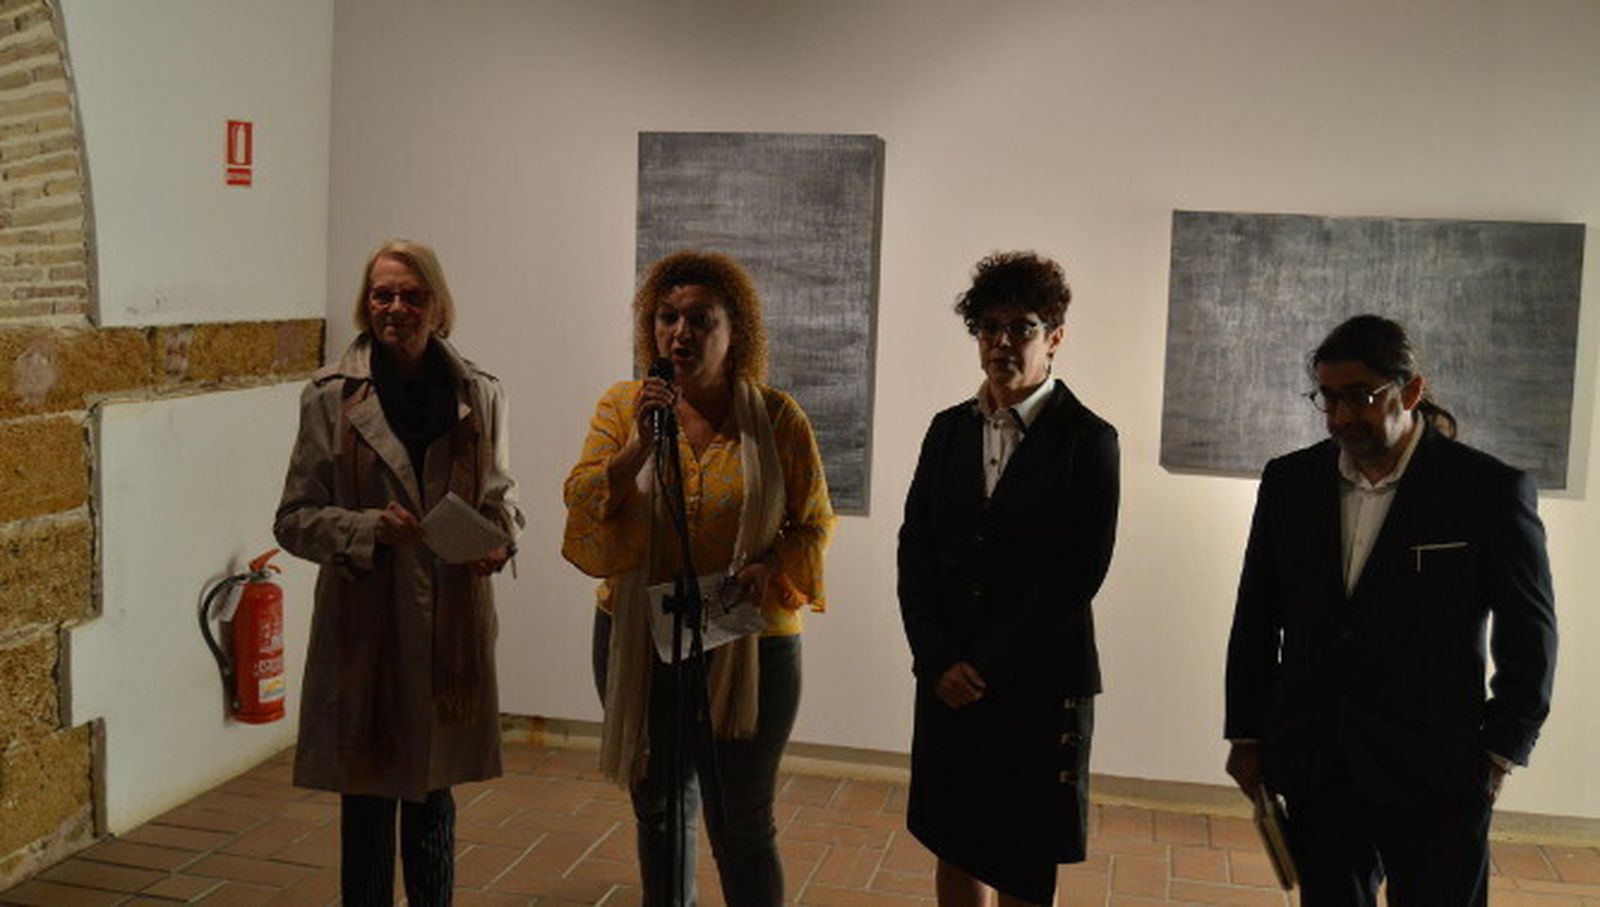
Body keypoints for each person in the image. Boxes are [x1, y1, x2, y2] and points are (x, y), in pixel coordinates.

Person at [1224, 314, 1558, 906]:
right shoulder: (1290, 482)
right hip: (1320, 763)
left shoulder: (1487, 491)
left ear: (1411, 391)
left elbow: (1529, 632)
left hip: (1438, 771)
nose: (1340, 416)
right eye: (1327, 398)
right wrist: (1247, 733)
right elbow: (1256, 613)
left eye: (1360, 397)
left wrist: (1500, 750)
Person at [562, 250, 835, 907]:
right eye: (666, 317)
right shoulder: (622, 407)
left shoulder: (777, 418)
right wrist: (639, 442)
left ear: (735, 331)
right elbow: (585, 500)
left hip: (749, 643)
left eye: (700, 319)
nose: (679, 333)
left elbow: (812, 525)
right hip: (640, 637)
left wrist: (771, 566)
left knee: (742, 822)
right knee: (658, 809)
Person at [274, 239, 523, 907]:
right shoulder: (329, 396)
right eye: (383, 294)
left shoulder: (478, 391)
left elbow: (504, 498)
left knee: (433, 794)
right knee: (367, 799)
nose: (396, 308)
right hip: (368, 625)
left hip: (449, 626)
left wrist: (500, 542)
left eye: (413, 295)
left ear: (438, 305)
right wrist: (365, 529)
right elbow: (293, 519)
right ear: (367, 303)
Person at [898, 251, 1120, 907]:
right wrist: (936, 657)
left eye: (1020, 327)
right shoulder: (947, 430)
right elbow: (916, 548)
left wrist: (985, 664)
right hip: (948, 676)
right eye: (989, 327)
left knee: (1025, 858)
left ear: (1054, 337)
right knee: (955, 839)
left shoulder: (1089, 439)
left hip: (1037, 682)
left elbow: (1079, 571)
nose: (1001, 342)